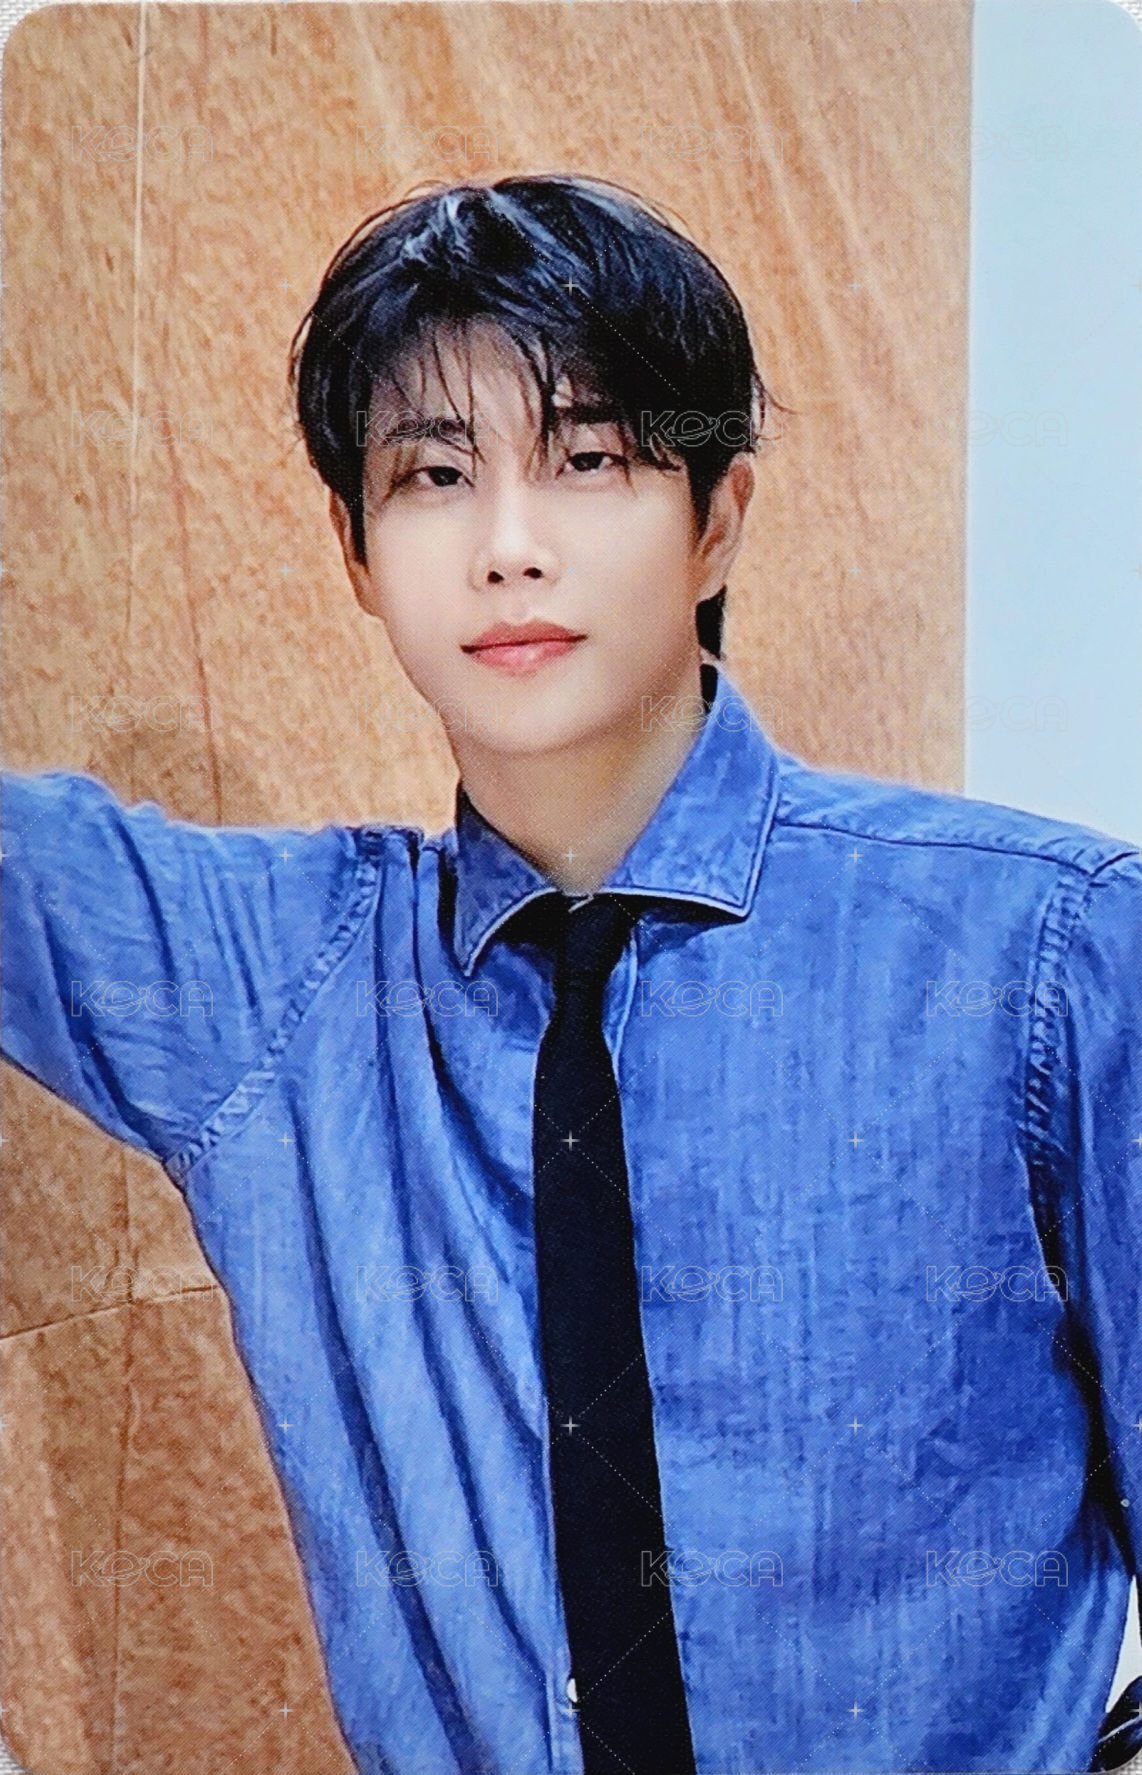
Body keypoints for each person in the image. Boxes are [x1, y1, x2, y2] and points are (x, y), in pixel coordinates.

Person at [2, 174, 1140, 1775]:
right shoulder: (279, 986)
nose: (508, 549)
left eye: (587, 459)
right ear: (353, 549)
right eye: (433, 474)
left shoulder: (1046, 952)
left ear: (716, 517)